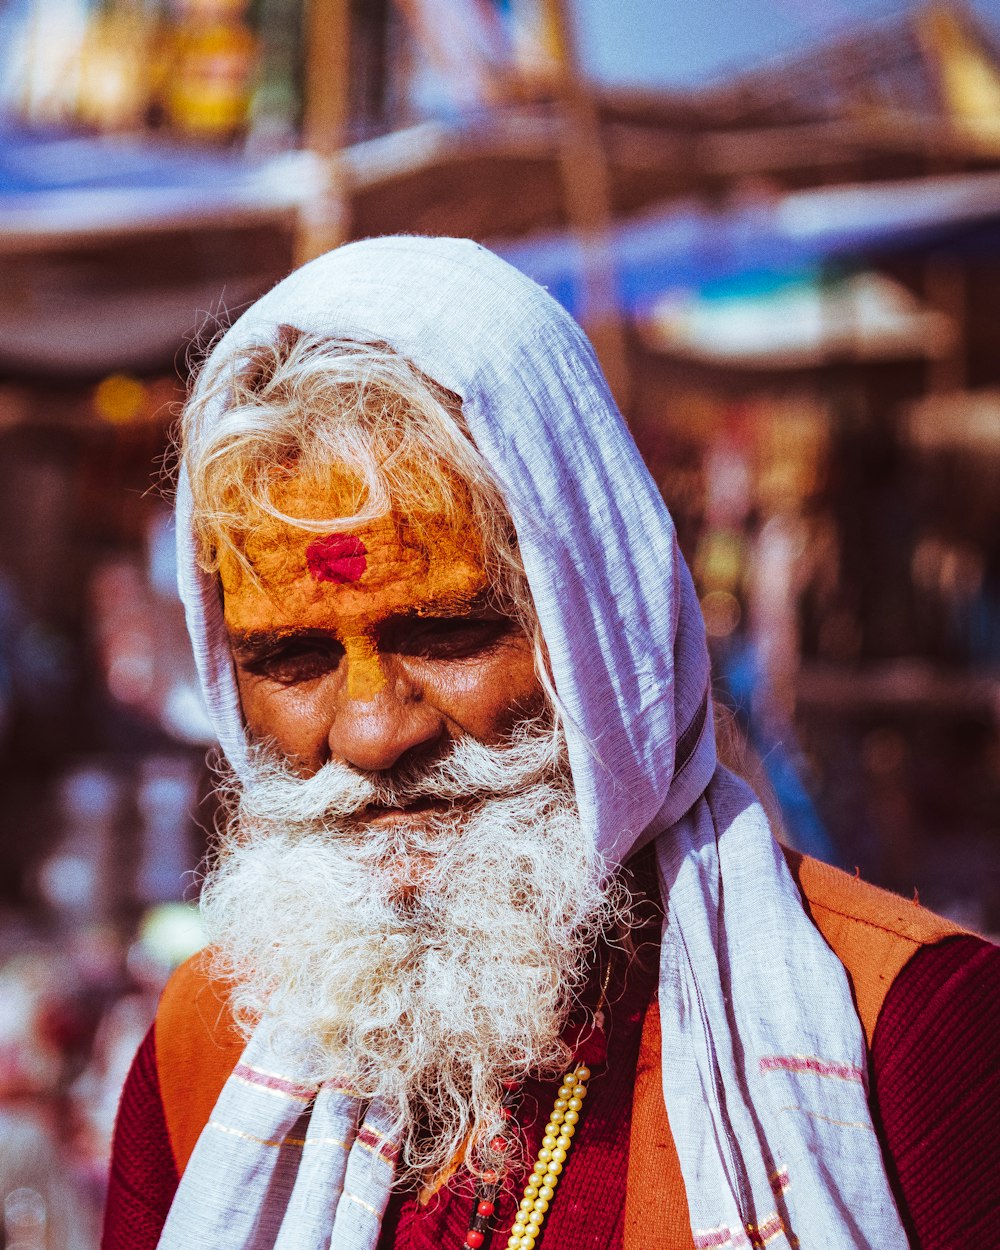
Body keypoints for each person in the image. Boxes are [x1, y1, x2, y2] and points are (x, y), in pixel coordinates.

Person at [103, 237, 999, 1250]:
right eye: (291, 657)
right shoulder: (199, 1047)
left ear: (598, 629)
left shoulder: (919, 1039)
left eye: (446, 633)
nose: (369, 730)